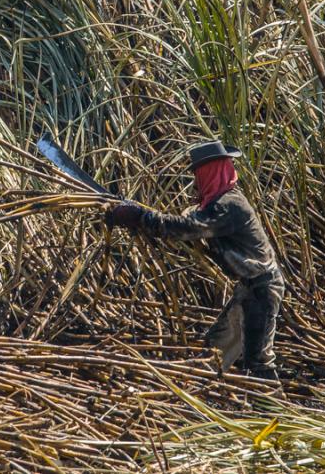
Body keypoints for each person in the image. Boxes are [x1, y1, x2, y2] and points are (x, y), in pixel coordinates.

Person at [105, 140, 284, 381]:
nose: (196, 182)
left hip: (262, 287)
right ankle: (204, 397)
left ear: (210, 173)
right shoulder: (216, 204)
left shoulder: (229, 205)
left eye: (199, 175)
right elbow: (187, 224)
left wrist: (141, 217)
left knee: (257, 361)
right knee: (215, 352)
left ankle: (273, 411)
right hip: (249, 287)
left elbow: (189, 228)